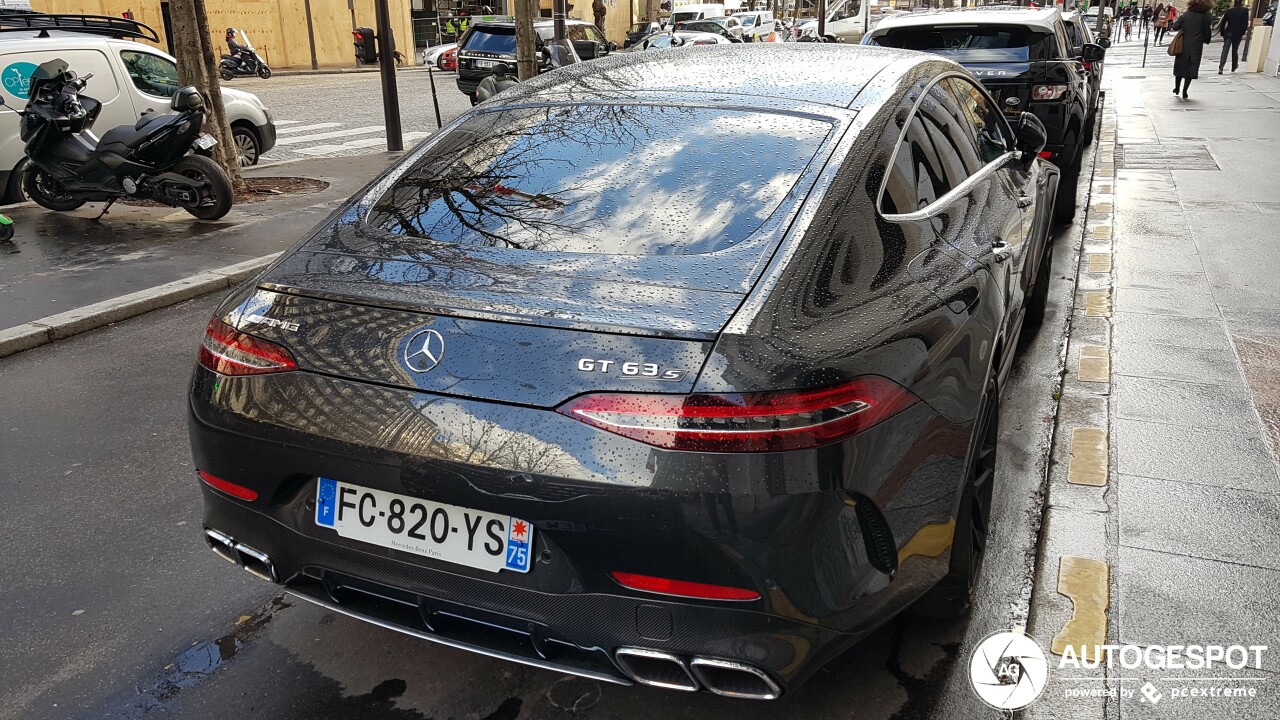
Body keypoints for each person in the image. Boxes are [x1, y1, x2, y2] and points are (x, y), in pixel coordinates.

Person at [1171, 0, 1213, 98]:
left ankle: (1177, 87)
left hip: (1183, 45)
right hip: (1196, 46)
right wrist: (1206, 40)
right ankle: (1185, 90)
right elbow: (1207, 31)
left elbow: (1175, 26)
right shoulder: (1205, 16)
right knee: (1191, 69)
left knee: (1180, 67)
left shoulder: (1186, 15)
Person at [1218, 0, 1250, 72]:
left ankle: (1221, 67)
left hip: (1228, 33)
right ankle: (1234, 66)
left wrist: (1222, 33)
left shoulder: (1229, 11)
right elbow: (1245, 23)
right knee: (1235, 50)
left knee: (1225, 51)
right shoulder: (1244, 11)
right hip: (1237, 33)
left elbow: (1223, 23)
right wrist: (1242, 32)